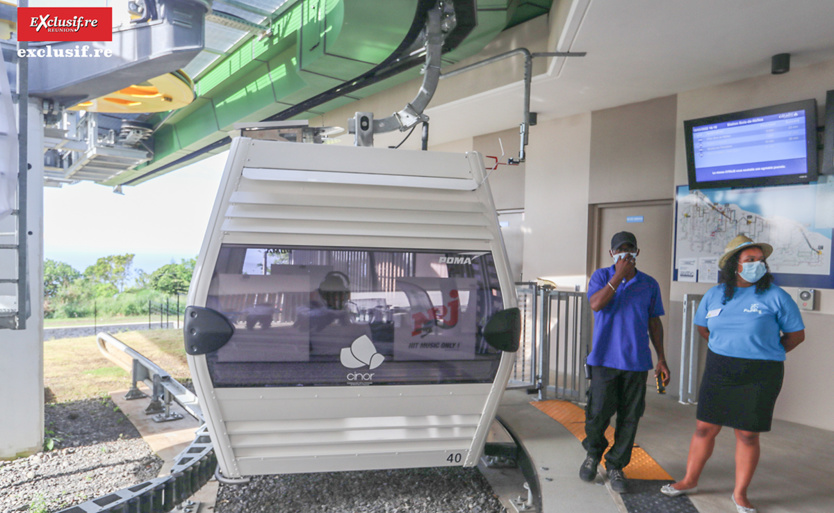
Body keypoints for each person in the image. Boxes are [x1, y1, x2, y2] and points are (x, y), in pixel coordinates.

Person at [660, 235, 805, 513]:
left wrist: (765, 351)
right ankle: (689, 480)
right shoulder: (715, 294)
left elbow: (796, 336)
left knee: (747, 435)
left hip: (761, 373)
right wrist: (726, 347)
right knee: (705, 427)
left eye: (760, 261)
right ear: (733, 266)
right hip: (720, 368)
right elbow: (703, 328)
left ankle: (740, 495)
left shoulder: (776, 296)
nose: (757, 265)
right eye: (750, 260)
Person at [580, 231, 669, 493]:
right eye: (620, 250)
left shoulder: (649, 284)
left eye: (630, 250)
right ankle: (592, 456)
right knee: (597, 414)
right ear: (612, 254)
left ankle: (616, 465)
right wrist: (618, 277)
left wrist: (661, 357)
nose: (625, 255)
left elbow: (654, 322)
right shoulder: (600, 277)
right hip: (604, 360)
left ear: (637, 253)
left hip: (637, 362)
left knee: (630, 418)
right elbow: (596, 304)